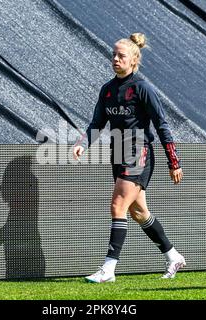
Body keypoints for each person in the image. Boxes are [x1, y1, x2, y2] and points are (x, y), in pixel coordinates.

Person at [73, 33, 185, 283]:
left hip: (138, 152)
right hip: (119, 152)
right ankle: (173, 256)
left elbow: (162, 126)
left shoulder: (142, 88)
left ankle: (108, 269)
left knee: (117, 205)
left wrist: (174, 162)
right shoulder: (108, 89)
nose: (115, 59)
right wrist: (83, 144)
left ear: (133, 60)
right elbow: (97, 123)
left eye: (121, 55)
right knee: (139, 212)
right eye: (113, 54)